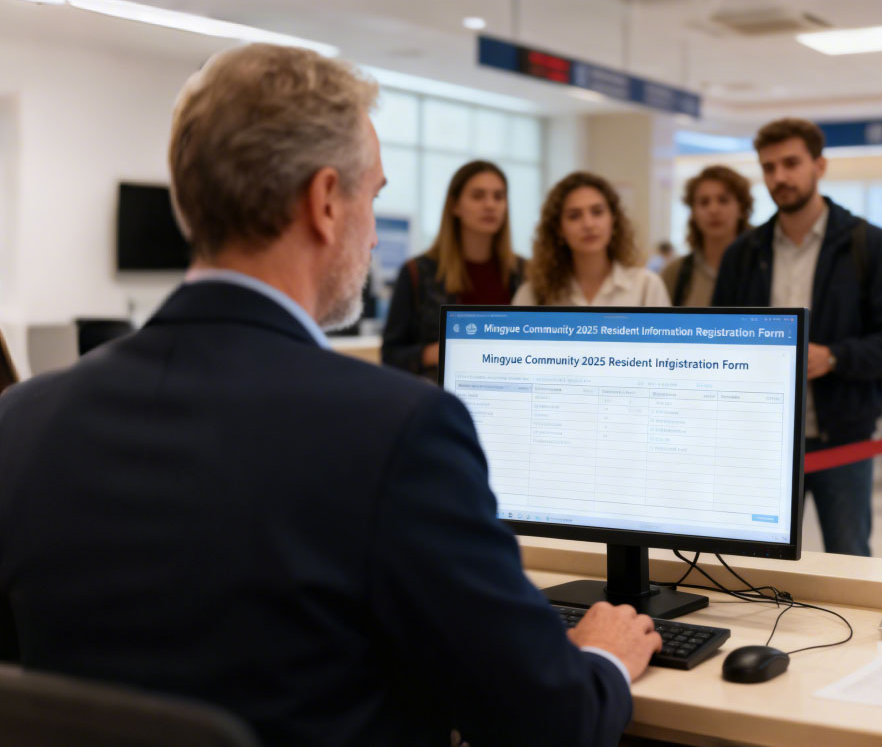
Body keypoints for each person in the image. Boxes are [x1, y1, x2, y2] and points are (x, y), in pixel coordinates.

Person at [0, 44, 659, 747]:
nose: (374, 234)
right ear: (323, 202)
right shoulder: (397, 432)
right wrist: (602, 659)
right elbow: (548, 722)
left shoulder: (22, 420)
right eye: (371, 197)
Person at [711, 118, 882, 557]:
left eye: (791, 163)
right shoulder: (743, 254)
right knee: (753, 566)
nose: (779, 177)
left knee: (847, 558)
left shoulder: (868, 244)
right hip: (760, 437)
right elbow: (717, 339)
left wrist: (835, 358)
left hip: (843, 434)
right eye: (769, 167)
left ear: (819, 165)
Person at [382, 159, 524, 380]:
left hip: (511, 397)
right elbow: (390, 356)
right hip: (440, 401)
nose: (490, 205)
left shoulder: (525, 273)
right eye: (478, 196)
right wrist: (433, 353)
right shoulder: (417, 272)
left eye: (499, 196)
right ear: (455, 206)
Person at [513, 171, 670, 307]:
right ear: (559, 229)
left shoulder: (646, 286)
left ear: (613, 219)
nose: (588, 224)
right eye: (574, 216)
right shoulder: (534, 293)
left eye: (597, 212)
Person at [661, 165, 753, 307]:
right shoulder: (675, 273)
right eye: (704, 202)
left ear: (741, 208)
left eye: (723, 200)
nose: (713, 210)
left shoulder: (761, 266)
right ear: (693, 212)